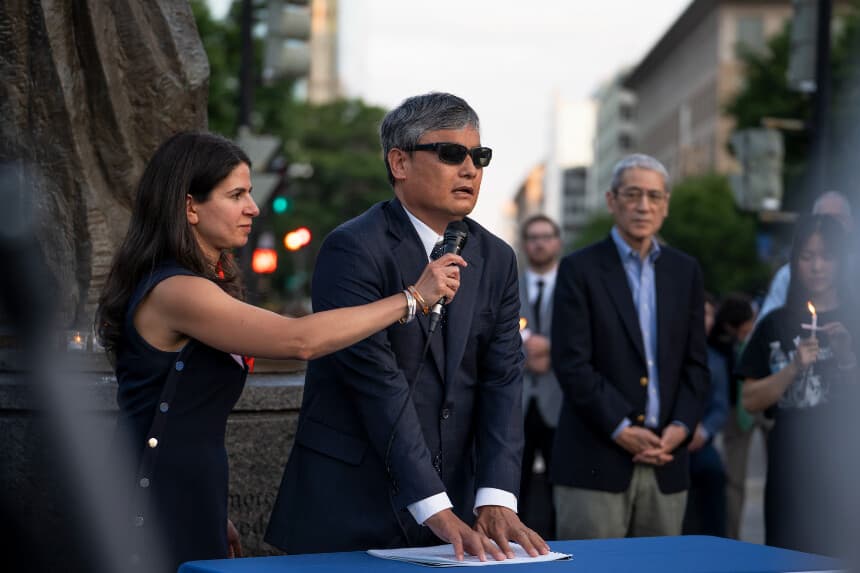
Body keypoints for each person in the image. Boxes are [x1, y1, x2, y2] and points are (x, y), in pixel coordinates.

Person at [95, 131, 464, 572]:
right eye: (236, 195)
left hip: (185, 493)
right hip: (151, 500)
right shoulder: (177, 291)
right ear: (190, 206)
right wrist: (412, 299)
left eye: (250, 193)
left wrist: (212, 512)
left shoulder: (189, 286)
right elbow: (300, 340)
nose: (253, 207)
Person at [265, 92, 549, 561]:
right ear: (399, 162)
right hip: (352, 503)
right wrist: (433, 506)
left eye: (479, 157)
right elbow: (376, 382)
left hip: (453, 508)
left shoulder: (497, 257)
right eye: (451, 154)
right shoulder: (353, 248)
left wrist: (496, 495)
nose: (470, 170)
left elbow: (502, 379)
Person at [550, 153, 709, 539]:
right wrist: (621, 427)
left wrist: (681, 427)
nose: (643, 206)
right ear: (612, 201)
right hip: (595, 461)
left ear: (666, 205)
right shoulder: (578, 269)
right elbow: (572, 363)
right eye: (633, 194)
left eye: (654, 196)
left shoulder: (685, 271)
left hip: (666, 460)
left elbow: (696, 365)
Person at [737, 214, 859, 555]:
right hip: (791, 472)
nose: (817, 266)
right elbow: (749, 399)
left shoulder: (855, 317)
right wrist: (793, 368)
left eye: (827, 256)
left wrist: (847, 356)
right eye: (807, 257)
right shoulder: (774, 324)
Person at [517, 214, 564, 539]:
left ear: (557, 242)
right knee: (514, 486)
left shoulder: (572, 287)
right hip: (518, 402)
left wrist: (551, 350)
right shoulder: (510, 283)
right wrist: (526, 352)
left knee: (558, 486)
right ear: (525, 244)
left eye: (546, 236)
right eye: (533, 237)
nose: (539, 242)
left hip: (558, 400)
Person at [756, 191, 853, 324]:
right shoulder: (787, 276)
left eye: (837, 219)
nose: (817, 267)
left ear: (851, 223)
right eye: (807, 256)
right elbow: (766, 326)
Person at [708, 293, 758, 539]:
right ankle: (731, 536)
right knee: (734, 481)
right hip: (732, 411)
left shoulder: (751, 337)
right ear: (731, 326)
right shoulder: (716, 344)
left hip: (758, 405)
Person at [682, 293, 731, 537]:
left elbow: (721, 406)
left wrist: (703, 431)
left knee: (715, 471)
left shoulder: (717, 361)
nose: (703, 319)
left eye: (709, 314)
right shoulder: (668, 354)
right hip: (667, 442)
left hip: (701, 443)